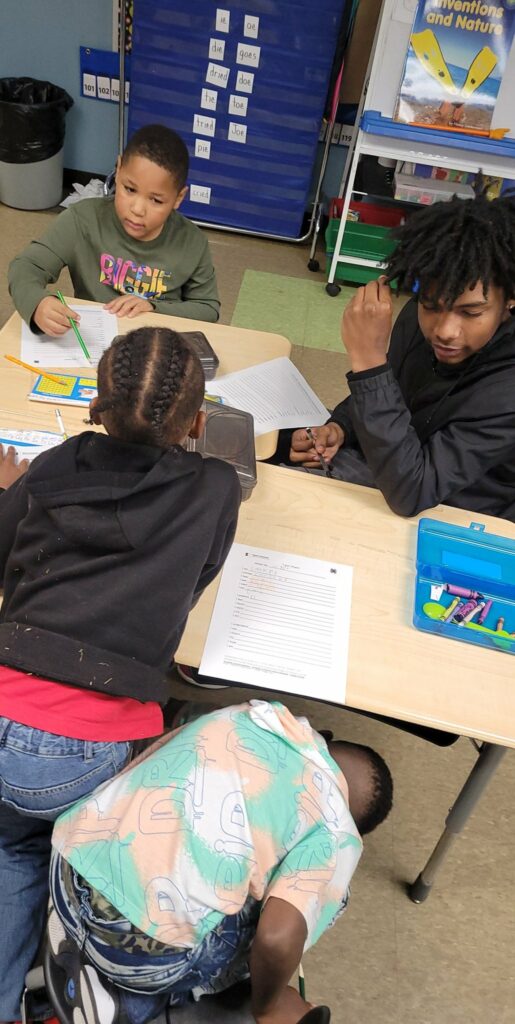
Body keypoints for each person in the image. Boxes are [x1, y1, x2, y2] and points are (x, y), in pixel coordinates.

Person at [0, 326, 241, 1023]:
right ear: (198, 423)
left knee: (13, 852)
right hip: (85, 748)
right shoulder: (216, 488)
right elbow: (197, 578)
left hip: (8, 696)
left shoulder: (51, 466)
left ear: (95, 409)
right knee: (74, 859)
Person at [50, 699, 393, 1024]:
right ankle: (127, 1002)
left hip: (68, 862)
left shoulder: (254, 716)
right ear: (356, 824)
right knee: (317, 901)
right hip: (131, 948)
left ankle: (73, 933)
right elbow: (276, 937)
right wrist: (270, 1006)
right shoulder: (339, 831)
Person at [288, 193, 515, 521]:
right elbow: (393, 389)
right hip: (401, 462)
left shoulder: (506, 394)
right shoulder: (416, 317)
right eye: (432, 305)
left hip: (453, 510)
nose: (445, 330)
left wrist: (368, 362)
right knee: (272, 444)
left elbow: (413, 492)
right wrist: (341, 426)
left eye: (471, 312)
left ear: (509, 299)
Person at [8, 123, 220, 335]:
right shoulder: (82, 220)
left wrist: (155, 308)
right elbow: (26, 266)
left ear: (178, 198)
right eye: (129, 189)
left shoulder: (192, 242)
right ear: (118, 171)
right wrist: (37, 303)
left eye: (155, 200)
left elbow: (207, 309)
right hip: (95, 340)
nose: (137, 209)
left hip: (158, 343)